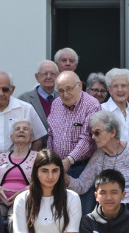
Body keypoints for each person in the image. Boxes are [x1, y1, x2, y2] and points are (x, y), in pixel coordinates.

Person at [67, 110, 129, 215]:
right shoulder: (98, 156)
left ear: (113, 132)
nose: (93, 137)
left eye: (97, 132)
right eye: (91, 134)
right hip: (111, 207)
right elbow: (81, 186)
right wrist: (63, 176)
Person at [0, 71, 47, 175]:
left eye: (5, 89)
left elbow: (38, 139)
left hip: (20, 160)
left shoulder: (25, 108)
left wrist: (29, 160)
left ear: (12, 90)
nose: (0, 93)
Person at [47, 71, 101, 213]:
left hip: (82, 167)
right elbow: (51, 134)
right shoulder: (56, 104)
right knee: (59, 212)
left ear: (79, 86)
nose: (65, 94)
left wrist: (69, 160)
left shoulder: (92, 105)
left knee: (82, 213)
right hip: (57, 167)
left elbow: (87, 139)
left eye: (69, 89)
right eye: (61, 91)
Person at [0, 120, 37, 217]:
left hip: (25, 200)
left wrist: (25, 191)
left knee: (15, 218)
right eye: (17, 129)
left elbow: (43, 181)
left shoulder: (38, 157)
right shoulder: (0, 157)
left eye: (25, 129)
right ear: (11, 138)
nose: (21, 131)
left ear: (32, 137)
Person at [101, 68, 129, 145]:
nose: (120, 90)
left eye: (123, 85)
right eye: (115, 86)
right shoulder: (102, 110)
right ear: (109, 90)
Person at [19, 61, 60, 138]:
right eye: (45, 73)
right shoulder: (24, 99)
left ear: (58, 76)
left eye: (52, 74)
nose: (49, 76)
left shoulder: (63, 99)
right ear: (37, 77)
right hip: (35, 148)